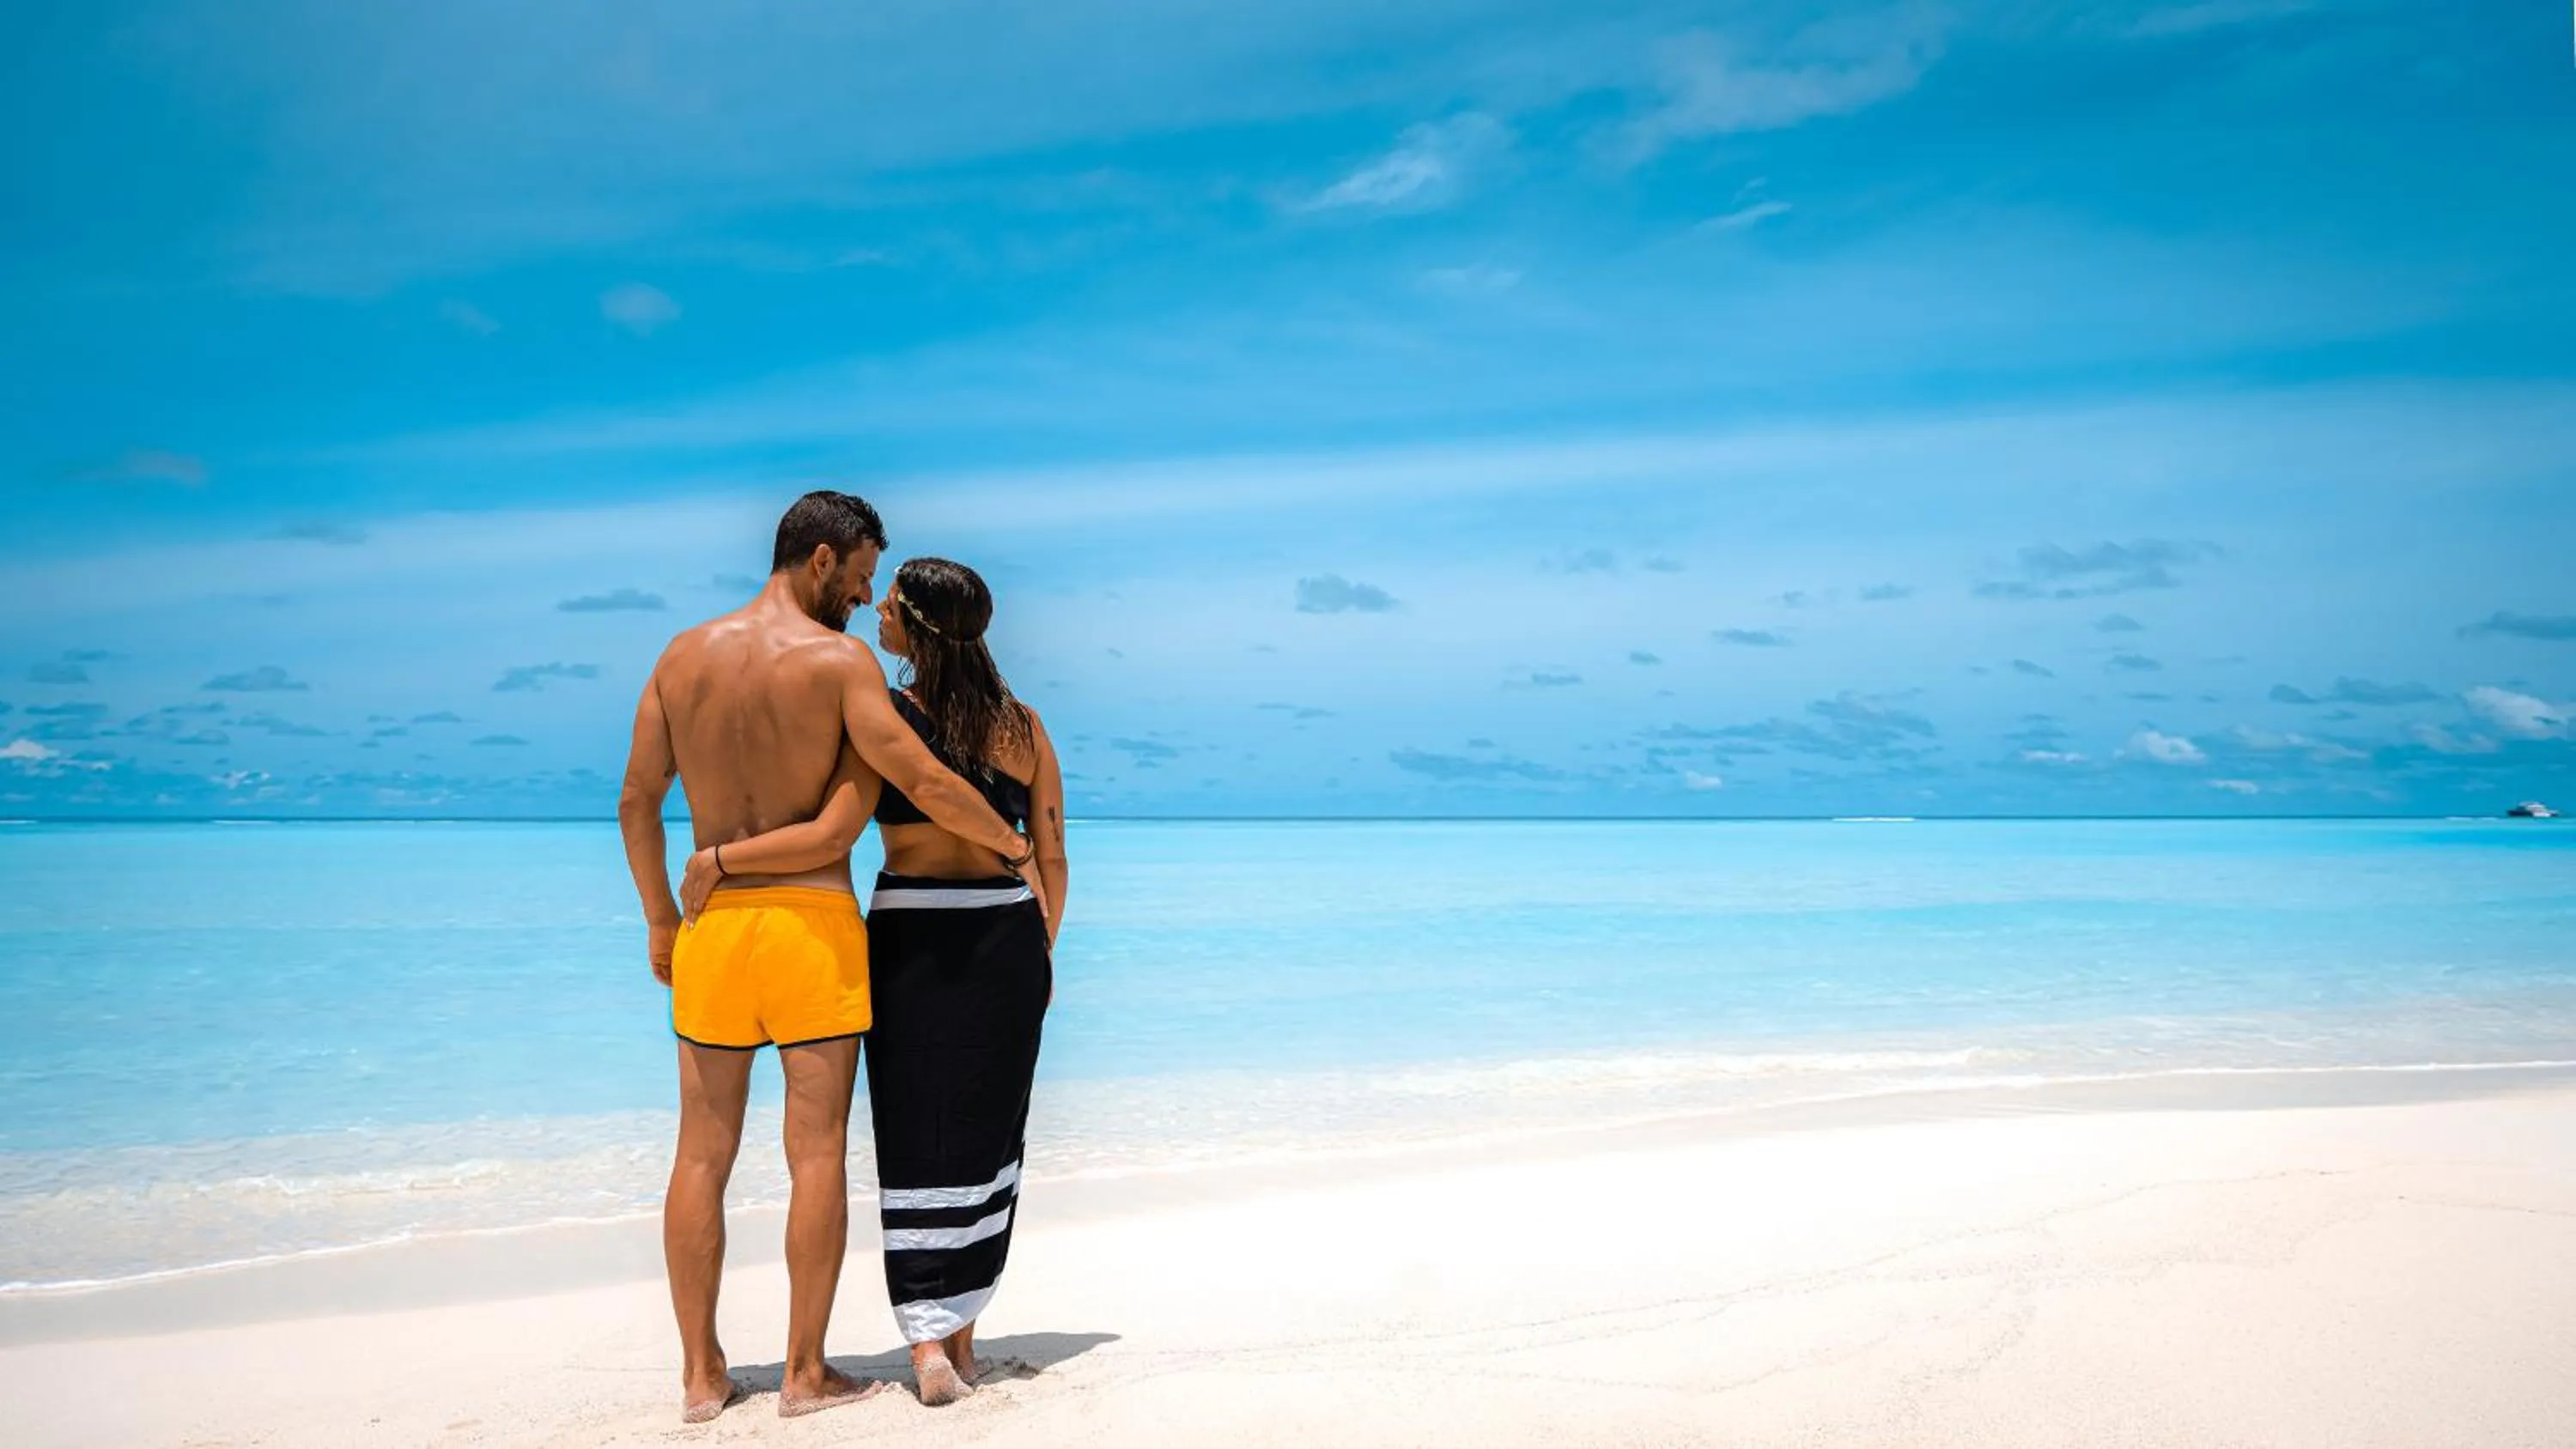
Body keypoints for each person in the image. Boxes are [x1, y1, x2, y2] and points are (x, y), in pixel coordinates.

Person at [617, 494, 1044, 1424]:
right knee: (814, 1155)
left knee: (701, 1153)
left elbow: (637, 801)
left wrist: (660, 919)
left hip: (713, 931)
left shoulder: (681, 656)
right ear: (821, 558)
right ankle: (805, 1374)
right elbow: (923, 778)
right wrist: (1014, 849)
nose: (860, 599)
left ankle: (702, 1376)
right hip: (810, 930)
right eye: (857, 578)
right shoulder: (839, 663)